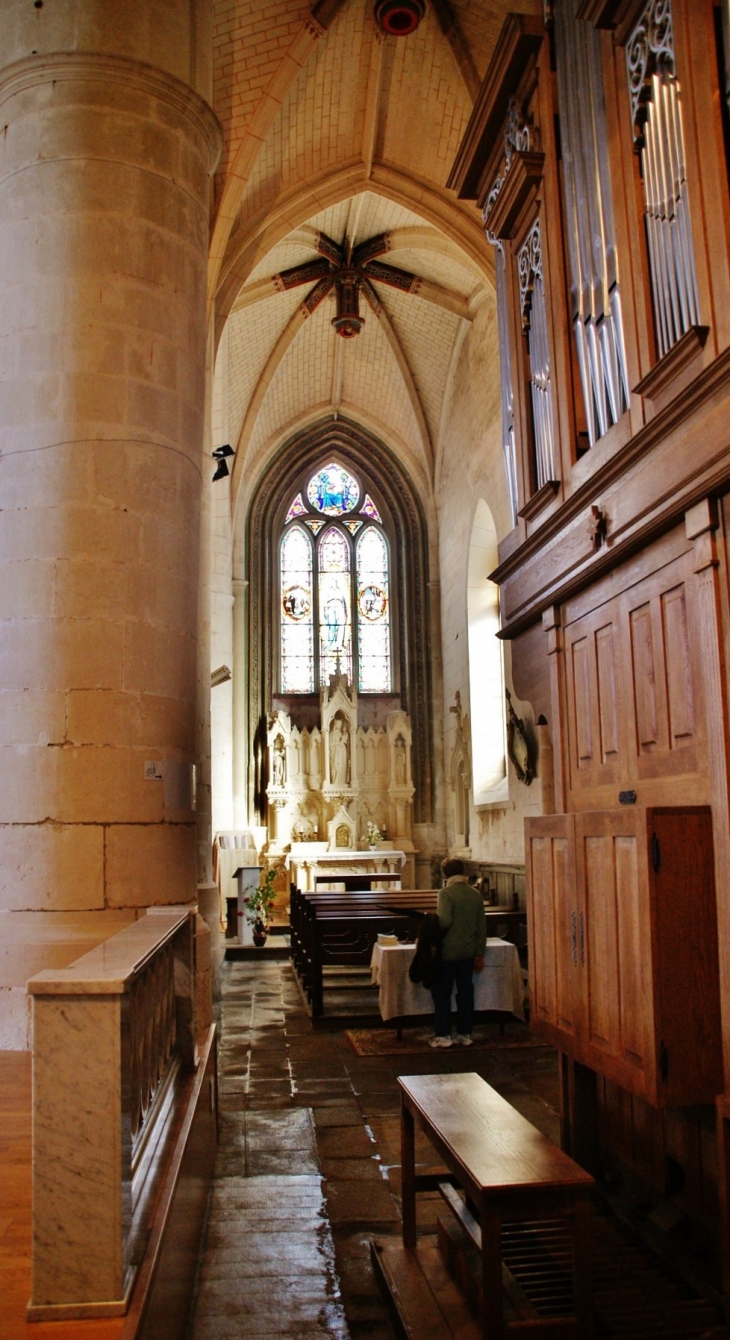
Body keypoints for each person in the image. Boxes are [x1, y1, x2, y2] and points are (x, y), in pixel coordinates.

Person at [430, 857, 486, 1048]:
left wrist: (430, 923)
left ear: (445, 874)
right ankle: (465, 1033)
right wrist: (480, 952)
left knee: (442, 992)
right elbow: (481, 927)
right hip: (468, 951)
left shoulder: (445, 893)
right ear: (463, 872)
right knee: (465, 993)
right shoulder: (475, 894)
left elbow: (444, 922)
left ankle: (443, 1035)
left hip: (448, 951)